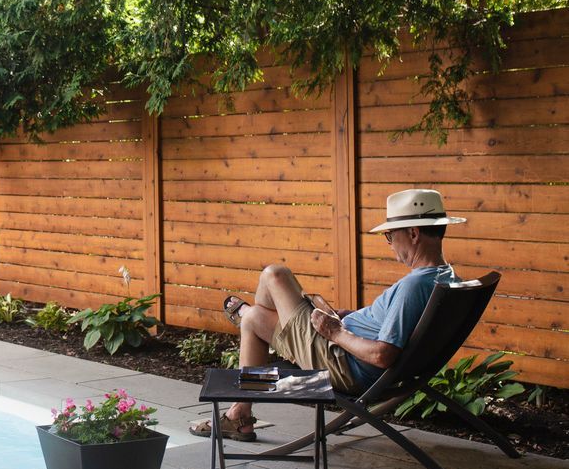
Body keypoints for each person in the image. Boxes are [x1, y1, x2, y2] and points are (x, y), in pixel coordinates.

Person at [189, 189, 465, 442]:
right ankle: (241, 408)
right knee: (254, 320)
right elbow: (393, 329)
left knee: (274, 275)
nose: (390, 243)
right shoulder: (448, 278)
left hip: (343, 363)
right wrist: (350, 319)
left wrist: (336, 332)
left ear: (414, 234)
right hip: (349, 351)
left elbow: (383, 355)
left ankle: (255, 373)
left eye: (391, 235)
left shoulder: (415, 285)